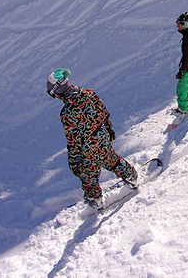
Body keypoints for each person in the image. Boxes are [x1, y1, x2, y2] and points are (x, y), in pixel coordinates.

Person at [46, 68, 138, 210]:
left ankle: (94, 199)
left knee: (88, 175)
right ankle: (131, 177)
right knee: (112, 160)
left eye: (53, 94)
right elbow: (103, 111)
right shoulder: (89, 93)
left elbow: (73, 141)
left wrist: (74, 162)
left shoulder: (67, 113)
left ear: (58, 92)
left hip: (89, 149)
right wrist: (108, 129)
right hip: (102, 137)